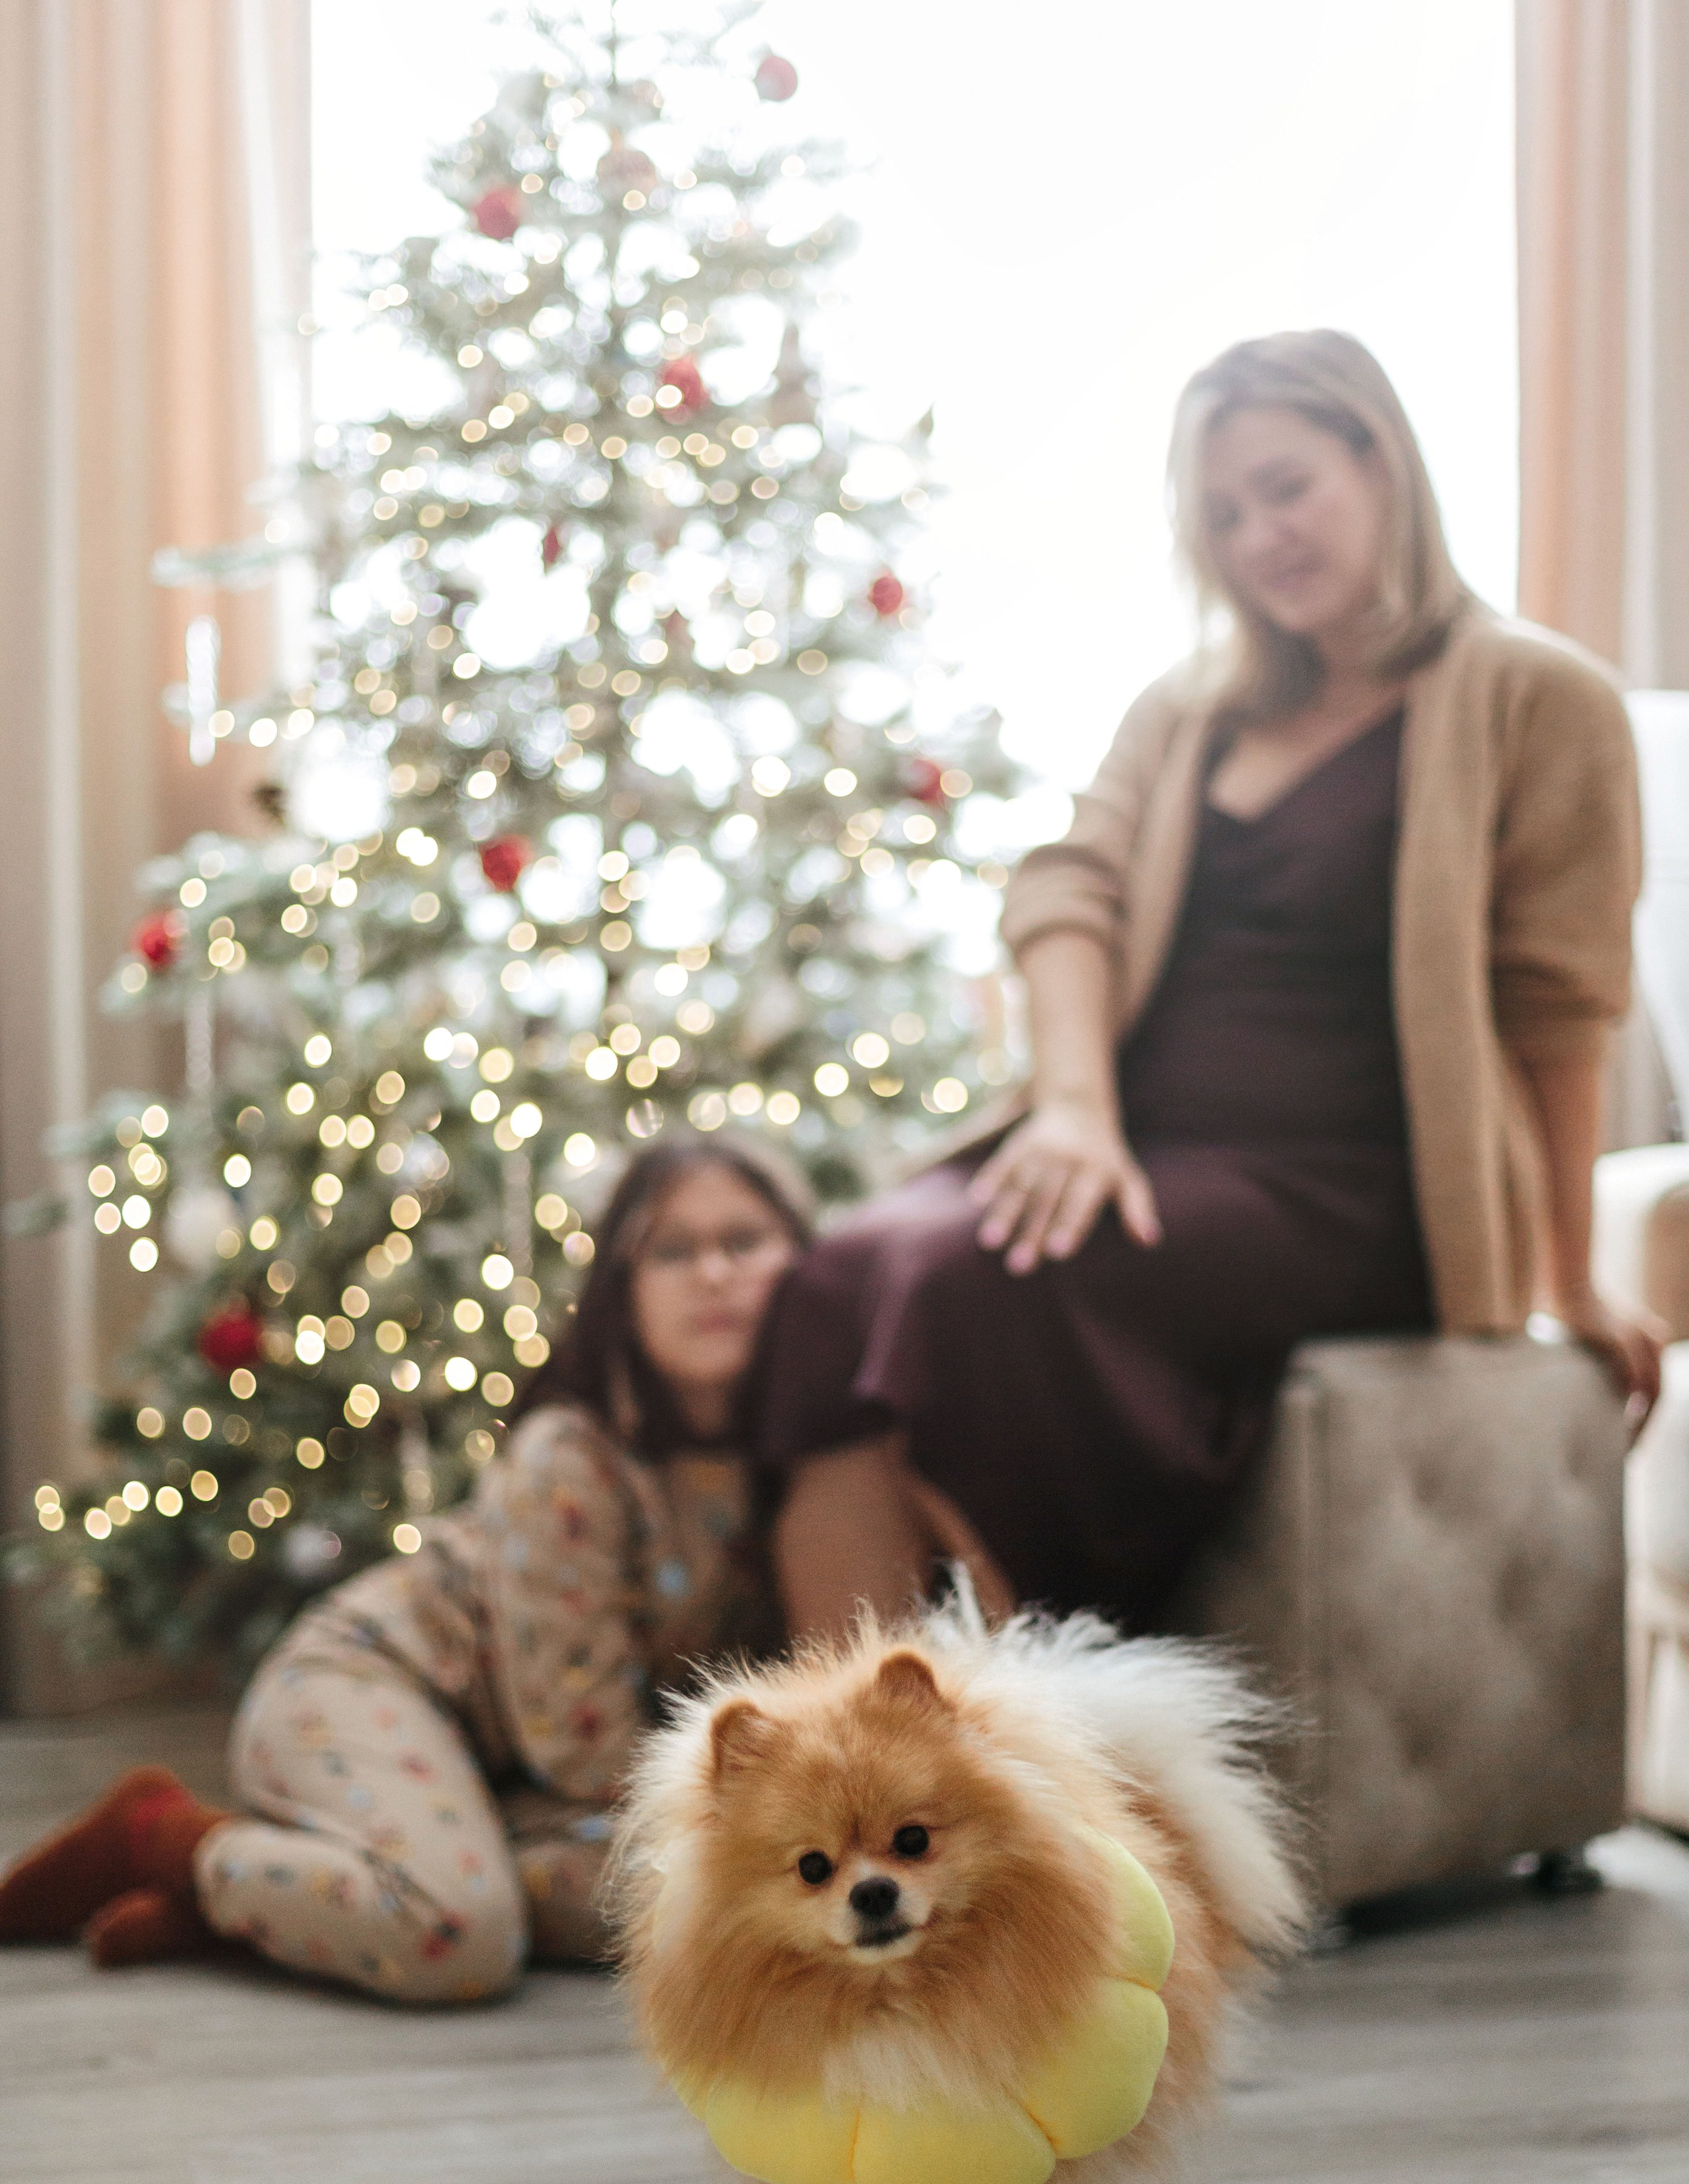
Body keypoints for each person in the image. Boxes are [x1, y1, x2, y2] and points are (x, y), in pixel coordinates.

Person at [761, 329, 1666, 1642]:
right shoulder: (1186, 709)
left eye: (1284, 488)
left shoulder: (1536, 698)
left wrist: (1566, 1279)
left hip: (1349, 1186)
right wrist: (1073, 1108)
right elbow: (1064, 890)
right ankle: (836, 1778)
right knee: (839, 1272)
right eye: (1222, 515)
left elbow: (1556, 1006)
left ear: (1380, 461)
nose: (1257, 538)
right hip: (1139, 1145)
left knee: (968, 1283)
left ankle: (1019, 1779)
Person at [0, 1140, 807, 2003]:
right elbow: (582, 1752)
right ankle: (166, 1840)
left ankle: (303, 1901)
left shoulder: (812, 1467)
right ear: (623, 1287)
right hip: (368, 1686)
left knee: (717, 1898)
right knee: (461, 1936)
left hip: (519, 1778)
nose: (713, 1273)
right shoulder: (571, 1455)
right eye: (673, 1251)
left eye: (744, 1242)